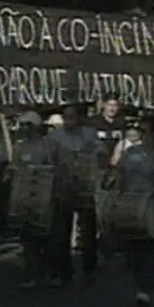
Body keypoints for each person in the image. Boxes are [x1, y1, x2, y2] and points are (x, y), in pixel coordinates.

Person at [115, 117, 154, 305]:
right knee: (134, 247)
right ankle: (139, 282)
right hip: (130, 203)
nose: (141, 134)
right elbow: (120, 177)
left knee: (148, 248)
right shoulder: (128, 153)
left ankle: (145, 288)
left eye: (145, 131)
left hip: (150, 206)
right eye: (140, 131)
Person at [48, 105, 106, 287]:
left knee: (88, 231)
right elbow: (49, 159)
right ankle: (63, 272)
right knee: (61, 232)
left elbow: (102, 153)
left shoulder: (89, 134)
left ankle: (90, 270)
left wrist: (95, 157)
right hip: (63, 188)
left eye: (72, 117)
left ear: (79, 118)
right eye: (66, 117)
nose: (69, 121)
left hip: (85, 187)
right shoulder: (55, 136)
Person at [9, 112, 53, 288]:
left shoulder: (47, 146)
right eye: (23, 125)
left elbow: (53, 167)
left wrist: (39, 170)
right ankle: (30, 275)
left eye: (28, 125)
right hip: (25, 197)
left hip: (43, 197)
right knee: (27, 238)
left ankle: (47, 272)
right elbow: (14, 167)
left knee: (45, 236)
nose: (25, 128)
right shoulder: (19, 147)